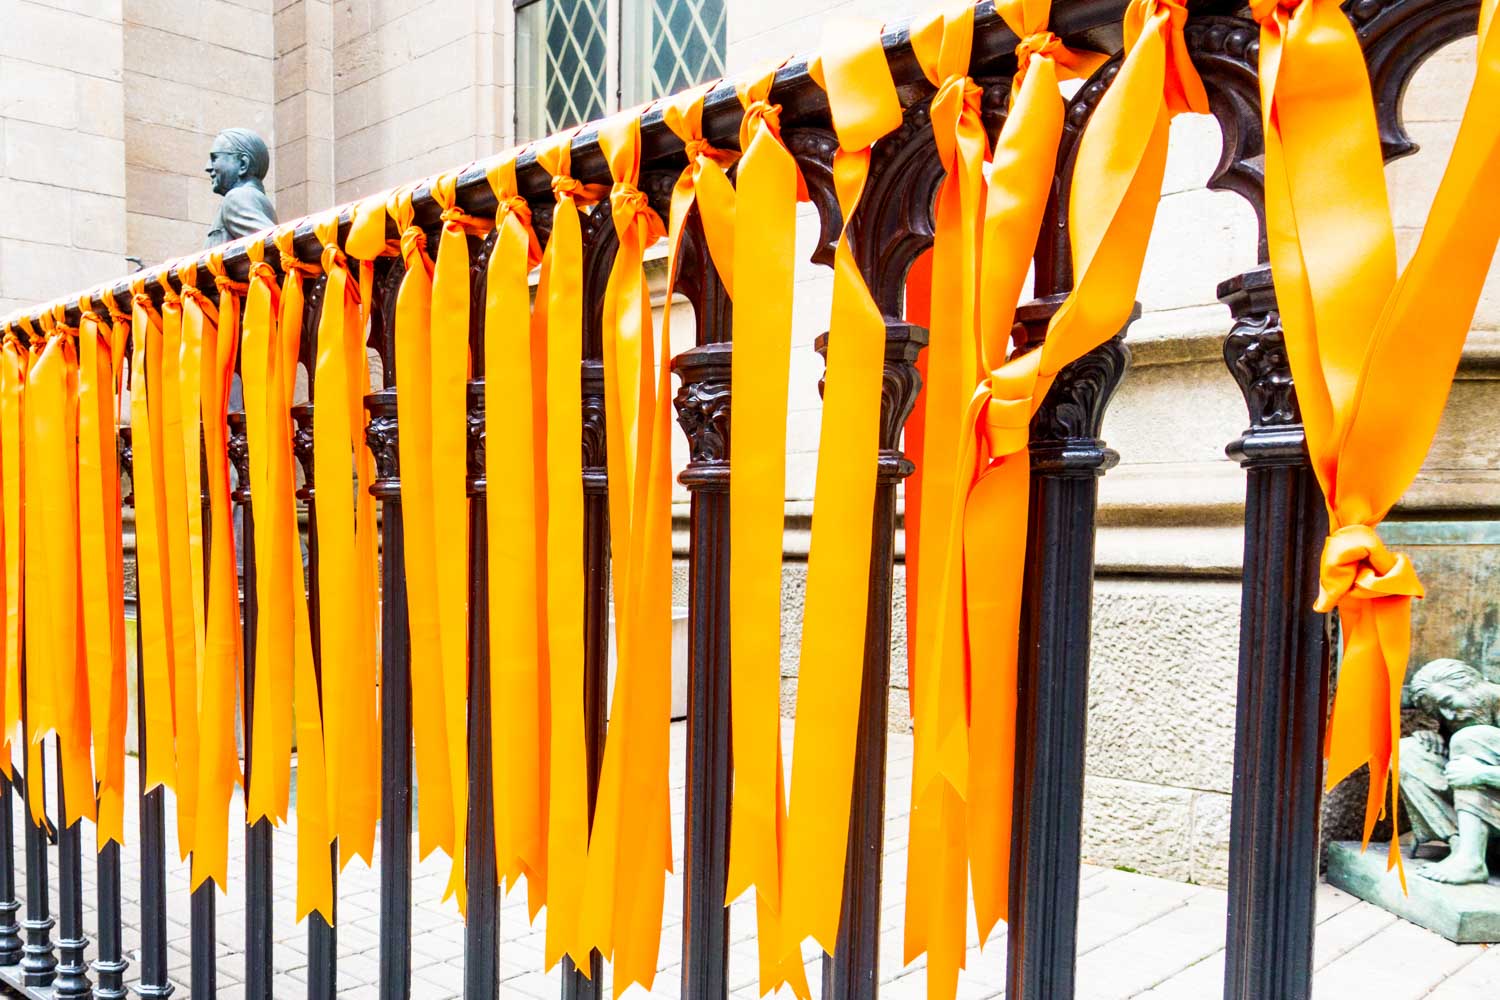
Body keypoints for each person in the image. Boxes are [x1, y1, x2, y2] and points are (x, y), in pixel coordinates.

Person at [1399, 658, 1500, 884]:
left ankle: (1471, 861)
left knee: (1470, 738)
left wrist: (1482, 774)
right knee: (1407, 751)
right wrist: (1436, 740)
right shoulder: (1467, 715)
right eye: (1439, 713)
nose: (1450, 716)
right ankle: (1461, 845)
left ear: (1471, 684)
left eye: (1448, 702)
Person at [204, 128, 277, 247]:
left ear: (243, 163)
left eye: (214, 158)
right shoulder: (254, 198)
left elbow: (278, 245)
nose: (207, 167)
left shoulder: (237, 197)